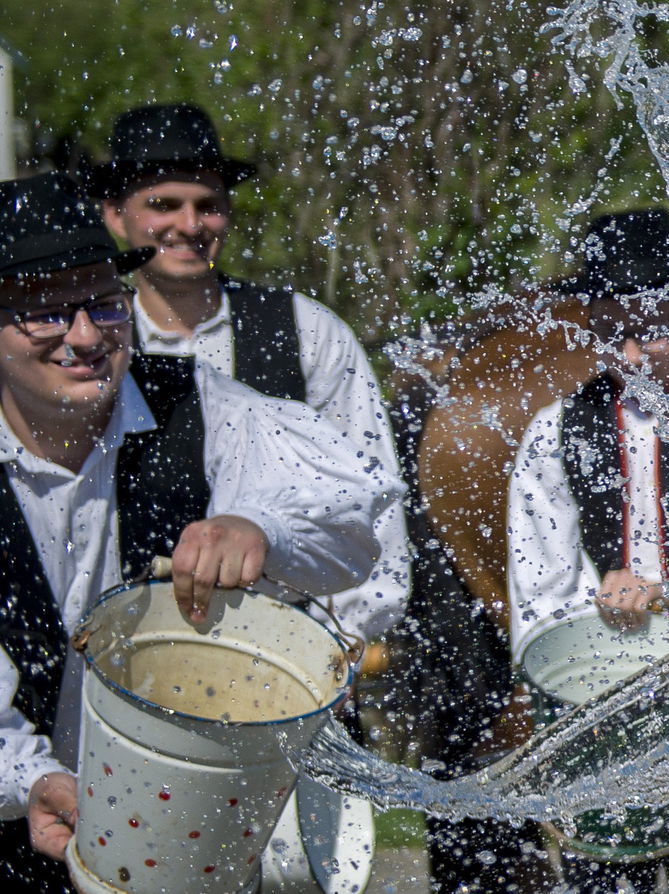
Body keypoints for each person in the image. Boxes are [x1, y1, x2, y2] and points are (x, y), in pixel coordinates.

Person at [0, 172, 399, 887]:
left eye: (101, 303)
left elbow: (354, 523)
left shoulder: (202, 402)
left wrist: (263, 528)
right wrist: (30, 778)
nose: (85, 335)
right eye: (48, 311)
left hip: (196, 821)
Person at [507, 209, 669, 893]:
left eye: (651, 329)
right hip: (604, 702)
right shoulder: (555, 431)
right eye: (609, 331)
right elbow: (538, 589)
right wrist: (587, 617)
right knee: (602, 876)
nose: (630, 354)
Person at [83, 102, 408, 644]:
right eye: (163, 204)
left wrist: (350, 641)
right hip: (133, 641)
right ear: (115, 215)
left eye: (207, 206)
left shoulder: (308, 329)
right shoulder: (90, 345)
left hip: (289, 641)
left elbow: (369, 490)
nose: (189, 225)